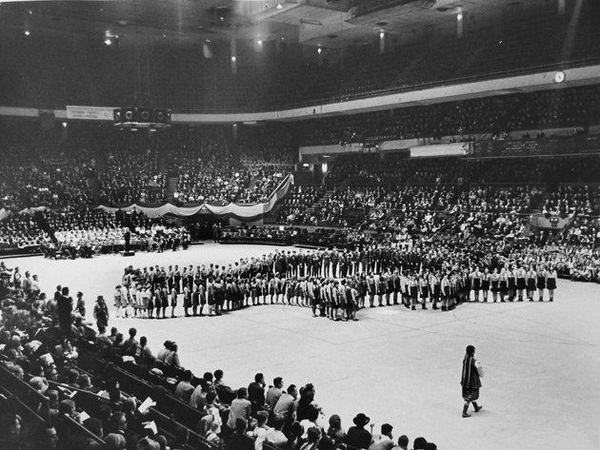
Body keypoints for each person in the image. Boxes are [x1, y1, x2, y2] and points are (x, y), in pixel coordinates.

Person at [461, 344, 483, 418]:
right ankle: (464, 412)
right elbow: (481, 373)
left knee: (468, 394)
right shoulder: (475, 362)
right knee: (471, 396)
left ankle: (476, 407)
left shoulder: (465, 360)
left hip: (464, 382)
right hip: (473, 383)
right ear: (473, 353)